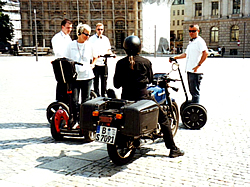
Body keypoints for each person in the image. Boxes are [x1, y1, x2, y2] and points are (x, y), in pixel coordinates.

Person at [113, 35, 184, 158]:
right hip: (143, 98)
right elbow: (151, 80)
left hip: (125, 99)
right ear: (139, 47)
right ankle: (173, 149)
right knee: (164, 120)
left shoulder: (120, 63)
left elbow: (116, 84)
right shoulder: (145, 62)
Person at [64, 23, 97, 122]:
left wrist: (93, 64)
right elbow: (66, 59)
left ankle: (84, 120)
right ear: (79, 33)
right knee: (74, 100)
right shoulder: (71, 45)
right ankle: (74, 118)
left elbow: (95, 56)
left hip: (87, 76)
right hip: (75, 77)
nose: (87, 37)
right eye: (85, 34)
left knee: (85, 100)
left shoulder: (90, 45)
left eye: (89, 35)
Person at [171, 24, 208, 104]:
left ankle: (195, 109)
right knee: (192, 91)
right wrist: (175, 57)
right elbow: (185, 54)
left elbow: (206, 53)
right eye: (190, 31)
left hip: (196, 71)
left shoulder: (200, 41)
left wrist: (198, 65)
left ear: (198, 31)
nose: (191, 33)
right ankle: (193, 105)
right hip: (190, 70)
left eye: (193, 31)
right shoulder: (191, 42)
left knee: (195, 92)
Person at [51, 19, 73, 103]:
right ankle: (59, 100)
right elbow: (58, 52)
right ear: (62, 27)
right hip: (61, 63)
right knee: (61, 83)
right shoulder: (57, 38)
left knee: (68, 83)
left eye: (70, 28)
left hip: (68, 63)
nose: (69, 30)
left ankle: (67, 100)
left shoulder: (68, 37)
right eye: (68, 28)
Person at [89, 23, 112, 97]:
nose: (100, 31)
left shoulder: (105, 39)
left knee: (104, 80)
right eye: (98, 29)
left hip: (104, 62)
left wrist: (112, 54)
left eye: (101, 29)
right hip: (95, 63)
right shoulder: (91, 39)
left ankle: (103, 95)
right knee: (95, 81)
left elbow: (108, 50)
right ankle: (96, 95)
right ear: (96, 29)